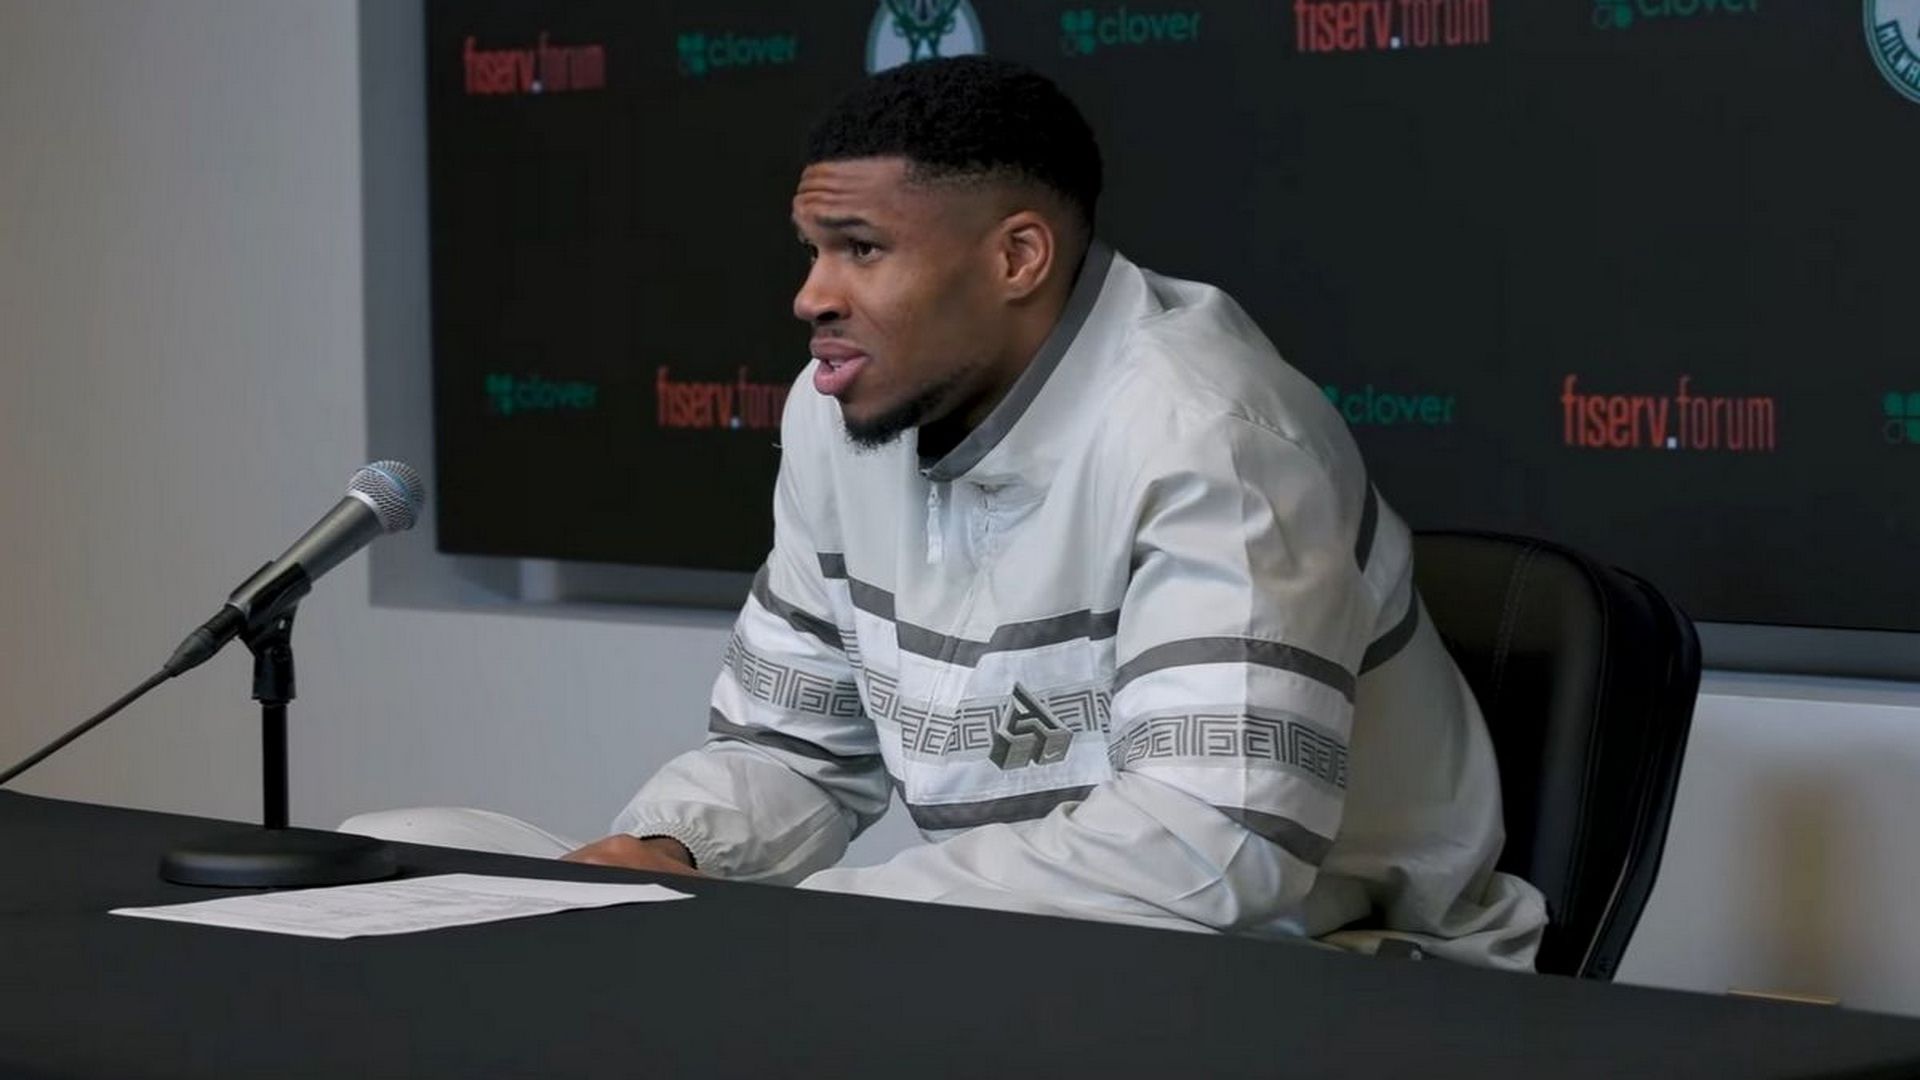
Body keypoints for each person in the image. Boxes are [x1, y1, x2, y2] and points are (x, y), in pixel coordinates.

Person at [349, 56, 1545, 967]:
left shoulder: (1214, 436)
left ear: (1017, 258)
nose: (811, 295)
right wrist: (674, 851)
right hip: (1041, 959)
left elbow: (1212, 851)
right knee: (407, 840)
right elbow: (793, 749)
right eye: (813, 250)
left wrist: (830, 920)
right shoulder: (836, 414)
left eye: (861, 250)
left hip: (1344, 976)